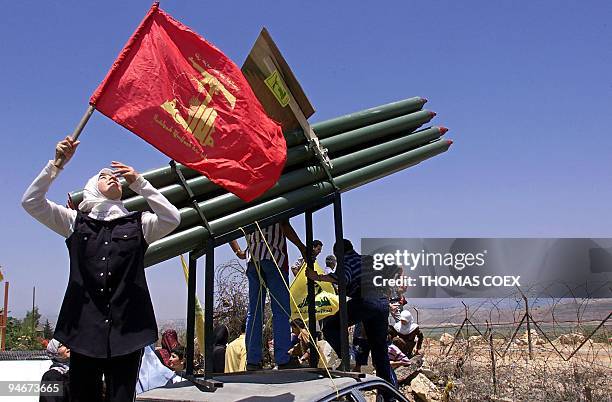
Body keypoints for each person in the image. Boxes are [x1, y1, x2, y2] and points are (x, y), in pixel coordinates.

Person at [22, 136, 181, 402]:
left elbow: (172, 217)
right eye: (104, 176)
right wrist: (57, 165)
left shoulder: (139, 223)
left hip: (128, 331)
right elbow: (31, 202)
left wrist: (141, 184)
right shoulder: (75, 222)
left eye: (115, 176)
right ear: (90, 188)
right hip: (83, 330)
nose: (113, 177)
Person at [306, 239, 398, 389]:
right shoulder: (367, 259)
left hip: (365, 301)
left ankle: (350, 356)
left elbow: (342, 278)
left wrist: (317, 277)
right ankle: (389, 394)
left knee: (330, 327)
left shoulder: (347, 261)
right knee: (380, 352)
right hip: (381, 303)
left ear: (338, 253)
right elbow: (393, 268)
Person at [229, 221, 306, 370]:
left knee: (254, 312)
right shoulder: (273, 198)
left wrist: (238, 251)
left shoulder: (244, 202)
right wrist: (301, 247)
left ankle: (252, 360)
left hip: (253, 260)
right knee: (281, 311)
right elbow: (285, 225)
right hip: (274, 257)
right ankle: (282, 357)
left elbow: (229, 225)